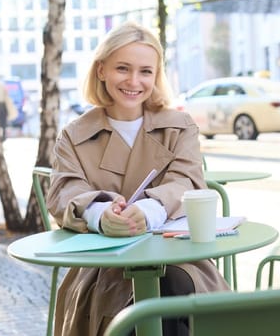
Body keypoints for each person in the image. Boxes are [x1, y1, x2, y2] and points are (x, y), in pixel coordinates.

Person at [46, 21, 229, 336]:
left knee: (174, 289)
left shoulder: (180, 126)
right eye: (122, 68)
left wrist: (148, 210)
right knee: (127, 311)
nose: (134, 81)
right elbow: (65, 191)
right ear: (101, 70)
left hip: (179, 260)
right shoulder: (75, 135)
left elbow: (185, 181)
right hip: (103, 270)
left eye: (146, 71)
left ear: (157, 76)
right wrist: (100, 214)